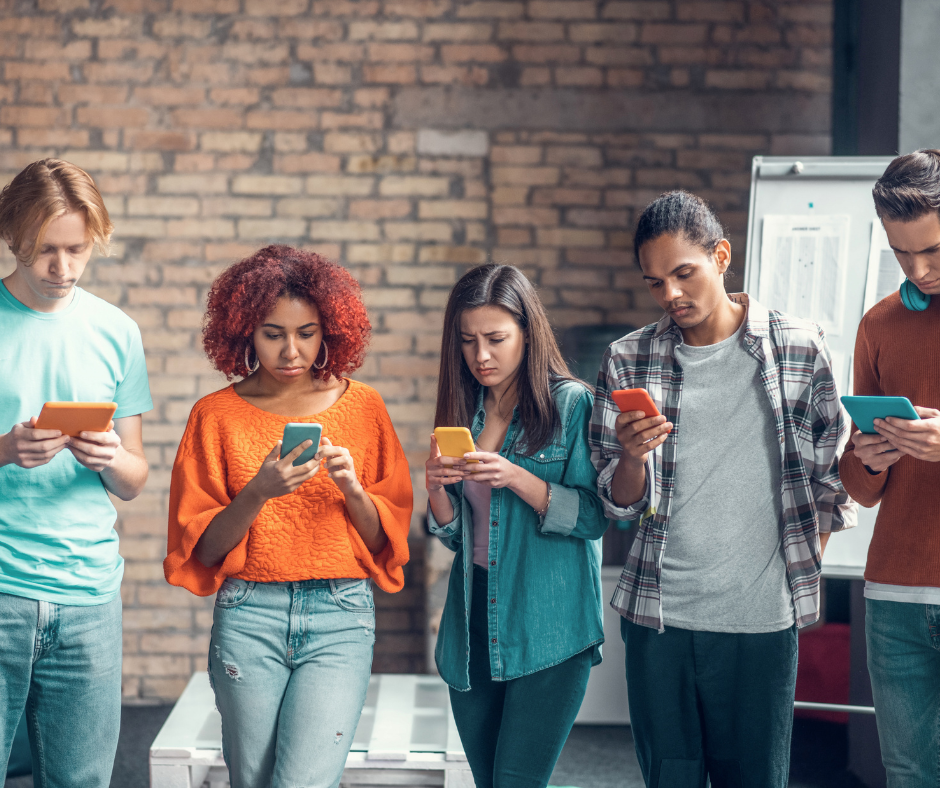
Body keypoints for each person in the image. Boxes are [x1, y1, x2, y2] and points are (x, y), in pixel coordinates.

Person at [588, 191, 856, 787]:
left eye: (684, 273)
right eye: (655, 283)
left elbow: (828, 483)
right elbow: (616, 500)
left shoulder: (798, 348)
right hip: (660, 618)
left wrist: (796, 577)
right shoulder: (627, 359)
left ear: (722, 256)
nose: (671, 295)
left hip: (760, 623)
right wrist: (632, 455)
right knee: (670, 778)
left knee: (756, 778)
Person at [164, 245, 412, 788]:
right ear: (244, 332)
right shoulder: (214, 416)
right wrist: (257, 492)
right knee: (251, 781)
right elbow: (201, 550)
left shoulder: (364, 407)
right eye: (272, 333)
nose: (291, 350)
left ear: (331, 331)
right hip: (249, 613)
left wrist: (352, 489)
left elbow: (382, 543)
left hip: (340, 615)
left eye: (308, 332)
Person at [426, 264, 608, 788]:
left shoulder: (572, 405)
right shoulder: (466, 412)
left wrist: (517, 478)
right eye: (467, 341)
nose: (481, 356)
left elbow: (596, 517)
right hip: (471, 619)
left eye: (496, 339)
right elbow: (461, 536)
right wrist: (437, 489)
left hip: (549, 620)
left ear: (528, 333)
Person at [0, 159, 152, 785]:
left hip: (89, 597)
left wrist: (110, 456)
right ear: (14, 241)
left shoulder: (117, 331)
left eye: (76, 250)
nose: (62, 269)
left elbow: (136, 478)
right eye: (45, 252)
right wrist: (5, 450)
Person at [838, 150, 940, 787]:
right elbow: (858, 490)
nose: (919, 269)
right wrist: (868, 459)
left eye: (932, 249)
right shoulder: (879, 323)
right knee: (906, 773)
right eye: (901, 254)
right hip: (896, 593)